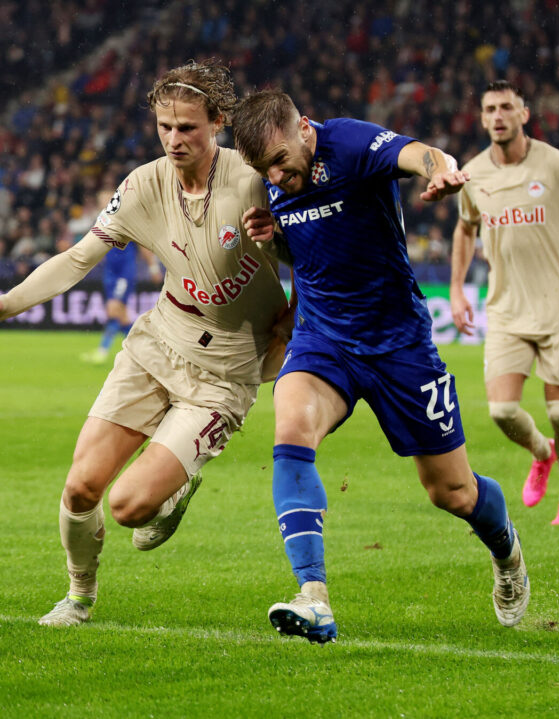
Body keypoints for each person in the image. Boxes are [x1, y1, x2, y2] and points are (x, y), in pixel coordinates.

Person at [0, 61, 291, 627]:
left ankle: (173, 487)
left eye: (187, 127)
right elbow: (77, 259)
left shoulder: (252, 180)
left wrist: (295, 312)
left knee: (130, 507)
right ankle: (78, 597)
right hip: (158, 343)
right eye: (164, 126)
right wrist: (5, 303)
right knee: (81, 486)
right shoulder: (141, 186)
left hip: (225, 371)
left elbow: (315, 248)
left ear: (218, 122)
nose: (173, 139)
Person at [231, 89, 529, 644]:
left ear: (302, 129)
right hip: (324, 339)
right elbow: (314, 247)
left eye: (278, 162)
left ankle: (506, 547)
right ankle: (312, 595)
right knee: (291, 424)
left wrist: (441, 172)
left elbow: (420, 155)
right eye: (262, 168)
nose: (274, 176)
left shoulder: (349, 143)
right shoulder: (272, 184)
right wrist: (279, 242)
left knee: (452, 493)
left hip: (399, 344)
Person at [450, 80, 559, 527]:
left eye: (507, 107)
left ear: (524, 114)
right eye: (490, 109)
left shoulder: (557, 164)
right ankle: (541, 453)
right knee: (502, 411)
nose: (499, 115)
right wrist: (455, 288)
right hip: (506, 310)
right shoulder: (473, 174)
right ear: (482, 117)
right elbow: (465, 228)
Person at [83, 190, 164, 364]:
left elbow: (144, 244)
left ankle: (104, 351)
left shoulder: (127, 219)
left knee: (114, 310)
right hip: (110, 272)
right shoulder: (101, 221)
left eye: (108, 200)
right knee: (121, 315)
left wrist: (153, 267)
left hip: (124, 272)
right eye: (102, 201)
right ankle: (142, 353)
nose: (105, 203)